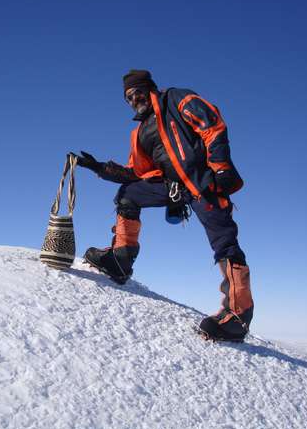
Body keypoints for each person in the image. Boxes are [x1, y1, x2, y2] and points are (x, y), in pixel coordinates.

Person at [72, 69, 254, 342]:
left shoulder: (176, 100)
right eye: (128, 98)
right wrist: (99, 167)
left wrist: (221, 168)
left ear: (150, 88)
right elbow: (136, 172)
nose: (134, 100)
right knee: (129, 193)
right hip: (174, 189)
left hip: (204, 184)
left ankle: (237, 317)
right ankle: (120, 260)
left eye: (137, 93)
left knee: (224, 242)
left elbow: (211, 125)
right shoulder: (140, 132)